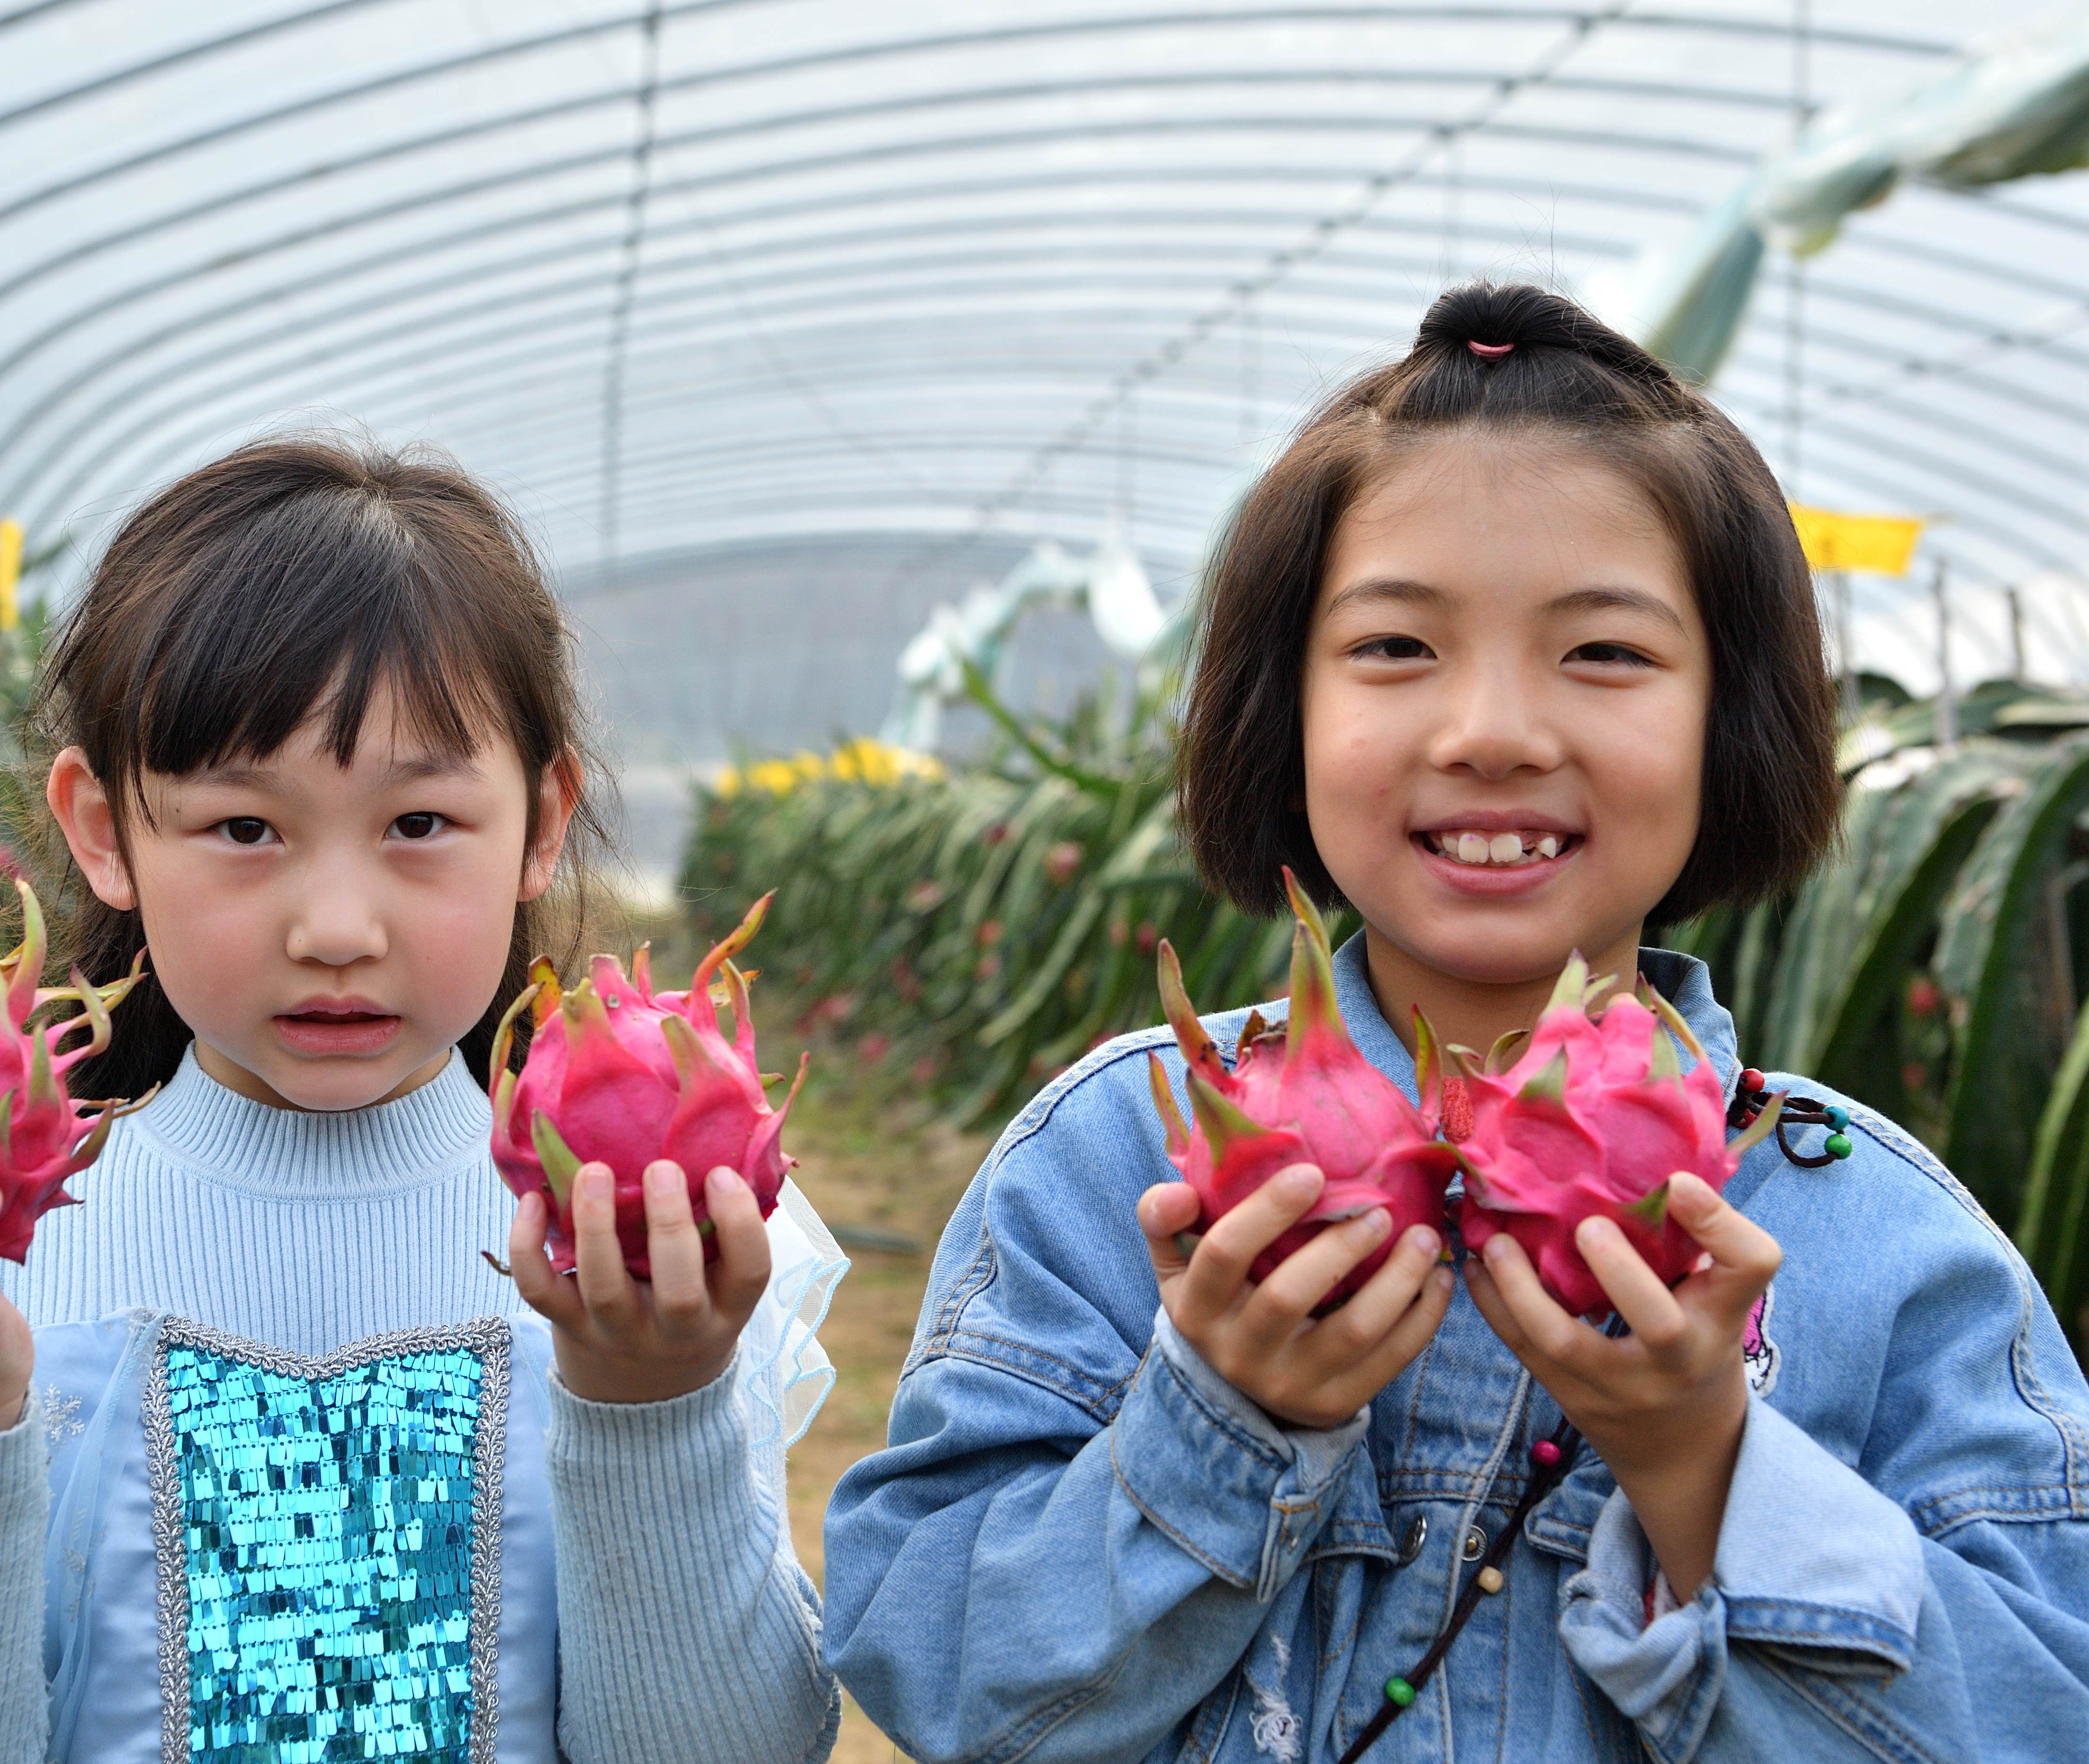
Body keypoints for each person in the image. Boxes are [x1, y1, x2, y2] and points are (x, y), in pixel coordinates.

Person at [822, 283, 2089, 1761]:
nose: (1491, 731)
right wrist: (1220, 1422)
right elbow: (938, 1672)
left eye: (1604, 653)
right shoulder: (1116, 1162)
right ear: (1281, 709)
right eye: (1395, 648)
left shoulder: (1879, 1239)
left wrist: (1707, 1470)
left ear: (1731, 719)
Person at [0, 438, 846, 1762]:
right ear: (102, 831)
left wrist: (652, 1404)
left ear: (543, 820)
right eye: (245, 829)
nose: (336, 929)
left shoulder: (659, 1242)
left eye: (419, 825)